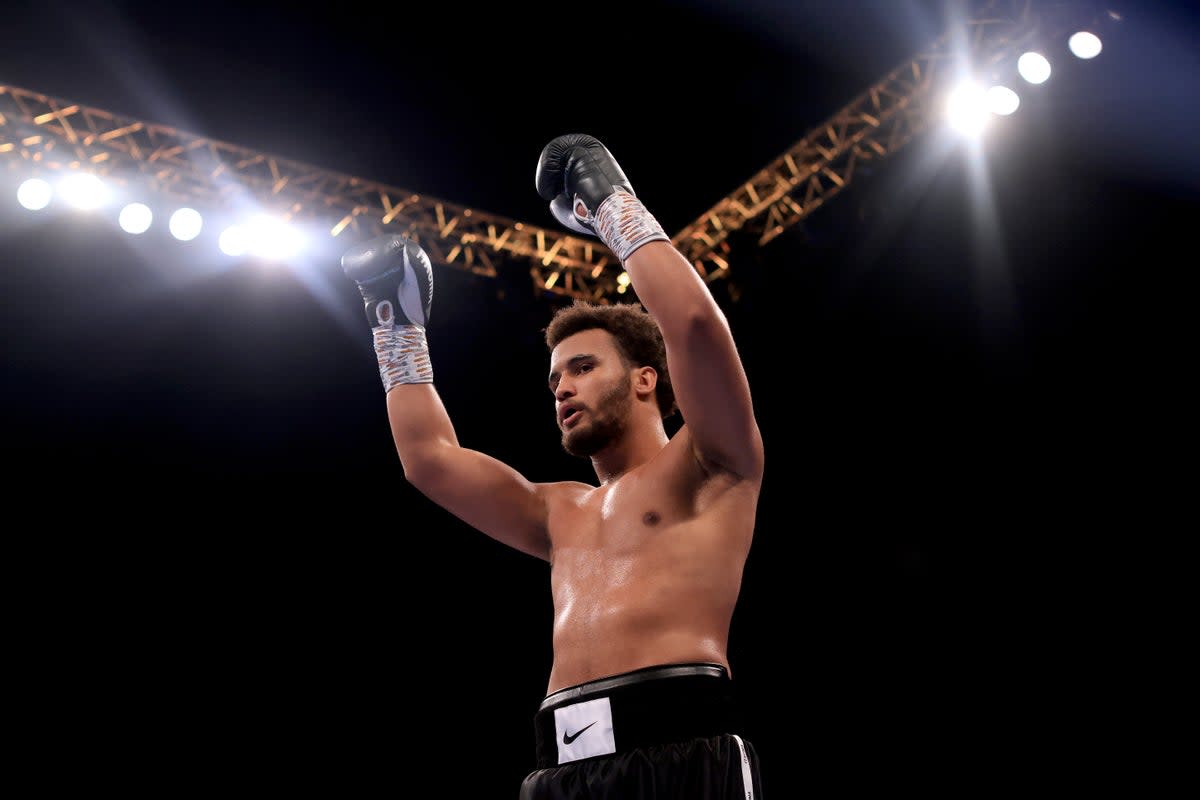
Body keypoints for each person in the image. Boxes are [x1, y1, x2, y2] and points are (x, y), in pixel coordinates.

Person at [341, 133, 766, 798]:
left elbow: (694, 328)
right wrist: (395, 325)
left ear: (647, 379)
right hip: (561, 768)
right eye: (555, 379)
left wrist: (613, 206)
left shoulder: (711, 464)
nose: (562, 388)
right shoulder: (557, 512)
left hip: (680, 749)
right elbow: (428, 460)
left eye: (584, 367)